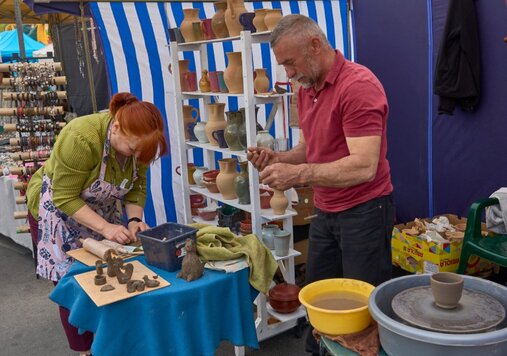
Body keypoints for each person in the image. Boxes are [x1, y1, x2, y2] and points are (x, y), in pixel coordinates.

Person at [247, 15, 395, 354]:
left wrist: (297, 176)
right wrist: (279, 158)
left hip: (365, 210)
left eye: (289, 62)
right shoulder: (307, 89)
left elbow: (364, 166)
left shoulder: (357, 86)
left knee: (362, 308)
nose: (287, 73)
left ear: (315, 45)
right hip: (327, 211)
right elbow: (309, 149)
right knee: (317, 294)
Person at [26, 92, 168, 355]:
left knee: (109, 277)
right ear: (116, 127)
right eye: (133, 149)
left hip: (99, 210)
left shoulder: (139, 145)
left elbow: (136, 187)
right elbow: (64, 196)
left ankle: (110, 342)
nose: (137, 156)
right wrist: (106, 228)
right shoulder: (82, 137)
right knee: (73, 284)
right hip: (58, 211)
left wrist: (135, 219)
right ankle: (85, 350)